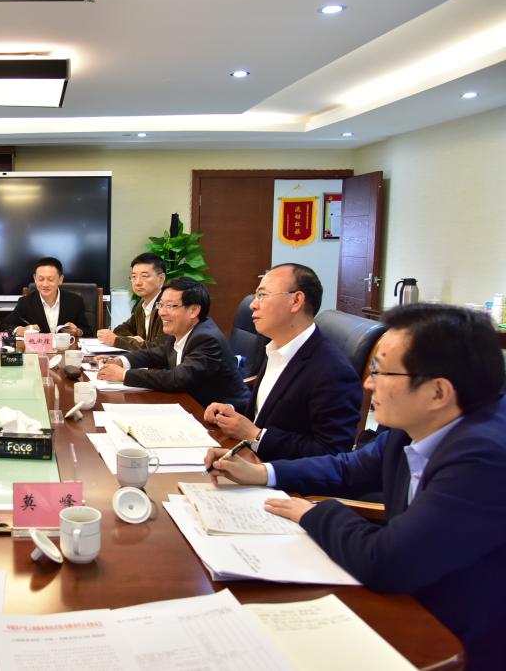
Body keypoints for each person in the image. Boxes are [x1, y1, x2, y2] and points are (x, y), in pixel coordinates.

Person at [205, 304, 506, 670]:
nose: (368, 383)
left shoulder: (484, 457)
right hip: (409, 599)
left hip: (456, 638)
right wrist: (262, 473)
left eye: (381, 371)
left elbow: (389, 561)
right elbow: (348, 467)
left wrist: (316, 514)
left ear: (438, 392)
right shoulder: (415, 426)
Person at [202, 263, 360, 460]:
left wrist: (256, 435)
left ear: (296, 301)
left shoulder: (332, 370)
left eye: (262, 295)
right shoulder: (276, 347)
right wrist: (230, 411)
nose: (253, 304)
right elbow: (271, 411)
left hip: (281, 475)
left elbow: (332, 454)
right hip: (249, 461)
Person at [97, 277, 250, 409]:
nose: (162, 312)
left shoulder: (206, 339)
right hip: (189, 404)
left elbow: (178, 379)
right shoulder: (180, 330)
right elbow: (155, 354)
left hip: (220, 416)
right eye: (161, 305)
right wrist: (121, 361)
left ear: (193, 310)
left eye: (170, 306)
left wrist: (124, 374)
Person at [2, 256, 93, 338]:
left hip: (66, 349)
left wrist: (77, 332)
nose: (45, 284)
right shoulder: (26, 302)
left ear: (60, 279)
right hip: (38, 350)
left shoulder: (75, 301)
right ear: (35, 279)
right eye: (41, 279)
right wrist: (20, 330)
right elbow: (3, 326)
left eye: (50, 279)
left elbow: (89, 332)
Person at [96, 253, 167, 350]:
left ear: (161, 279)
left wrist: (118, 341)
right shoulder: (142, 304)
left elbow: (160, 350)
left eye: (144, 276)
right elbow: (121, 329)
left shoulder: (167, 307)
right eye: (134, 276)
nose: (137, 282)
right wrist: (133, 340)